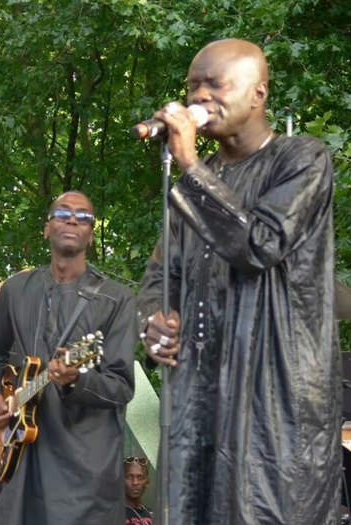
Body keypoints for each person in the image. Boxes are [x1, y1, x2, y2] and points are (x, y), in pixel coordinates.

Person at [136, 38, 341, 524]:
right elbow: (157, 275)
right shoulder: (193, 183)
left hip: (273, 396)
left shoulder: (303, 160)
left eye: (215, 83)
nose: (200, 95)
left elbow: (260, 244)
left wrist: (187, 165)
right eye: (193, 85)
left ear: (258, 94)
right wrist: (152, 323)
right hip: (198, 394)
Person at [0, 191, 138, 524]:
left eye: (84, 216)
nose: (73, 219)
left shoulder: (117, 299)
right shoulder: (17, 289)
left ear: (91, 236)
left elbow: (121, 386)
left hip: (84, 472)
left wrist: (78, 380)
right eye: (63, 213)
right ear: (46, 228)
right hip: (21, 457)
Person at [124, 456, 153, 525]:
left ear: (147, 482)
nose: (135, 482)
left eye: (140, 478)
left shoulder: (154, 515)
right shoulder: (112, 515)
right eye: (130, 477)